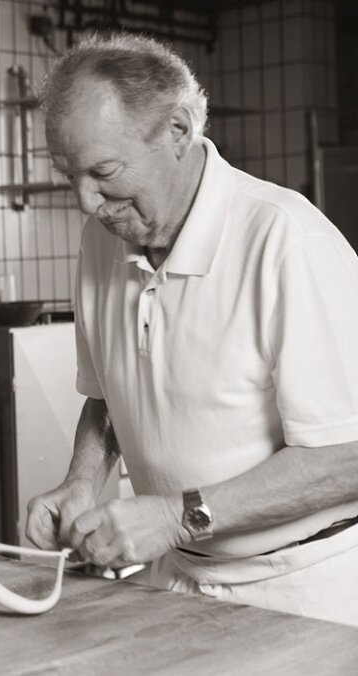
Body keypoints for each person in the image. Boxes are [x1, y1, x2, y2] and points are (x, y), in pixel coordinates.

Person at [25, 33, 358, 626]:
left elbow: (348, 457)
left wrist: (179, 515)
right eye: (67, 175)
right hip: (176, 578)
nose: (86, 202)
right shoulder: (102, 240)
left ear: (178, 131)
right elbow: (109, 397)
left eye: (103, 170)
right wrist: (81, 482)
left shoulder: (286, 241)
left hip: (304, 589)